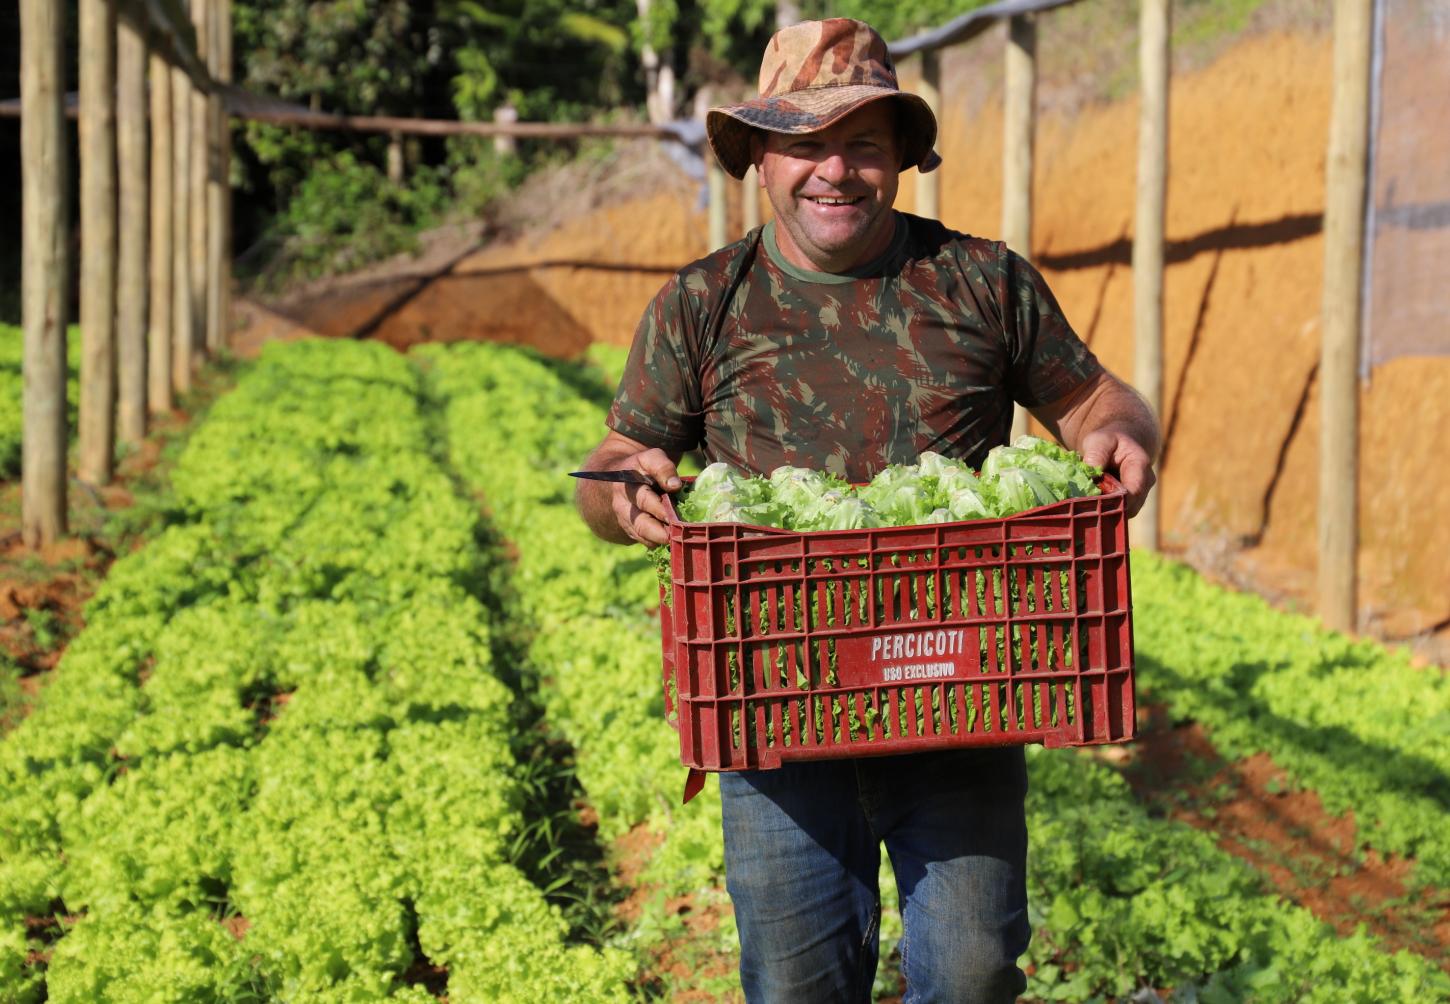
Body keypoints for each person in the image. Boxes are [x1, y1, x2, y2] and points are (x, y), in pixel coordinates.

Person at [575, 17, 1159, 1004]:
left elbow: (1096, 400)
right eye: (804, 143)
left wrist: (1120, 432)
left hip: (961, 688)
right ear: (760, 156)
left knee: (973, 972)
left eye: (863, 143)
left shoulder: (981, 281)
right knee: (798, 983)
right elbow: (618, 458)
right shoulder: (703, 303)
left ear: (900, 159)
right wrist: (626, 492)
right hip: (775, 703)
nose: (833, 170)